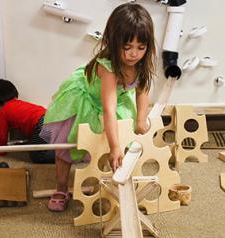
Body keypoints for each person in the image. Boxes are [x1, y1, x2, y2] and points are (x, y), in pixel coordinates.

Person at [40, 2, 157, 212]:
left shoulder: (141, 63)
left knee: (117, 145)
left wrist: (141, 118)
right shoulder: (108, 67)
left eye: (141, 47)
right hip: (87, 102)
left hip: (115, 104)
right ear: (113, 42)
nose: (134, 54)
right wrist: (114, 146)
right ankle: (61, 188)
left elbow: (142, 91)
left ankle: (109, 180)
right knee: (67, 148)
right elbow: (108, 109)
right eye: (127, 47)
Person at [0, 79, 55, 163]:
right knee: (38, 144)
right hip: (51, 118)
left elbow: (2, 135)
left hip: (41, 125)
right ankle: (59, 149)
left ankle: (62, 155)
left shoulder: (4, 111)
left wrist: (1, 151)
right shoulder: (19, 103)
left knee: (37, 156)